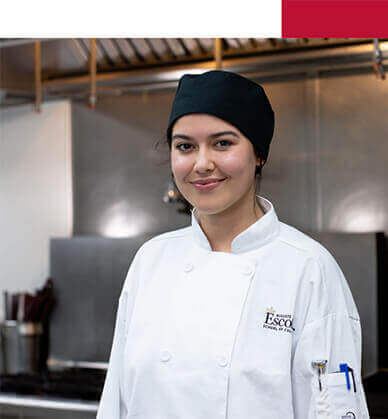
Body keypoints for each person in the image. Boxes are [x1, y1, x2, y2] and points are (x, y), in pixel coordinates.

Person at [97, 70, 370, 418]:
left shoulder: (309, 269)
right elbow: (115, 402)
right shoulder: (151, 260)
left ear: (259, 154)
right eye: (185, 146)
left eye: (222, 143)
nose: (201, 163)